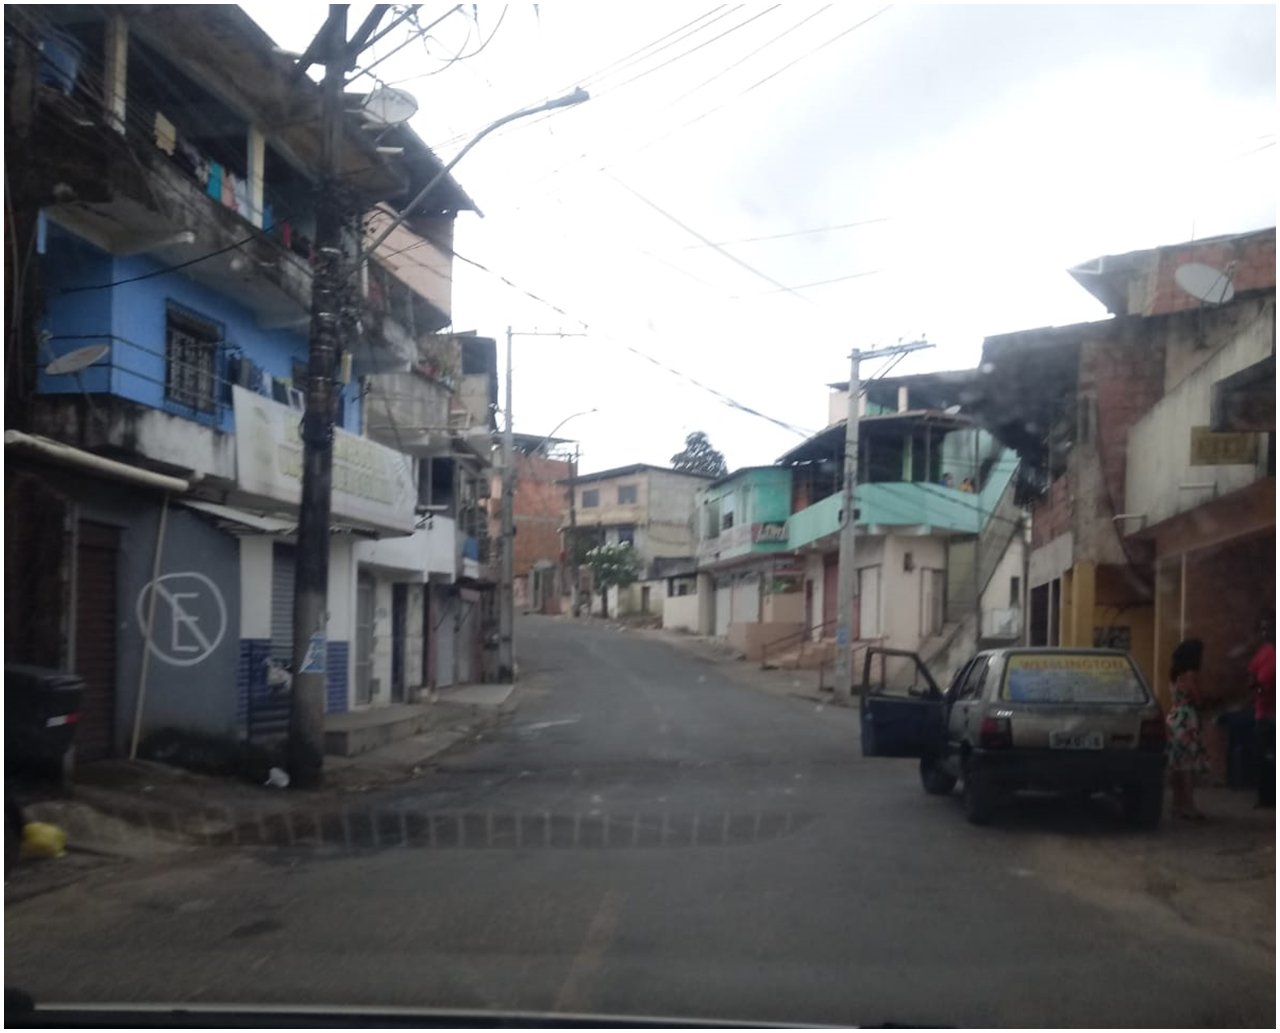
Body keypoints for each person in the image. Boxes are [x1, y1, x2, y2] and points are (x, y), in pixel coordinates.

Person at [1167, 638, 1208, 820]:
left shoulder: (1174, 675)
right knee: (1188, 766)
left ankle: (1177, 805)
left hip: (1174, 717)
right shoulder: (1190, 675)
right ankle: (1190, 806)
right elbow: (1198, 699)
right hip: (1187, 720)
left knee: (1177, 765)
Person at [1247, 609, 1275, 809]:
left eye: (1270, 627)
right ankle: (1266, 797)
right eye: (1264, 628)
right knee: (1264, 757)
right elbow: (1251, 675)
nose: (1266, 632)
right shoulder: (1264, 651)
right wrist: (1257, 687)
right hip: (1264, 713)